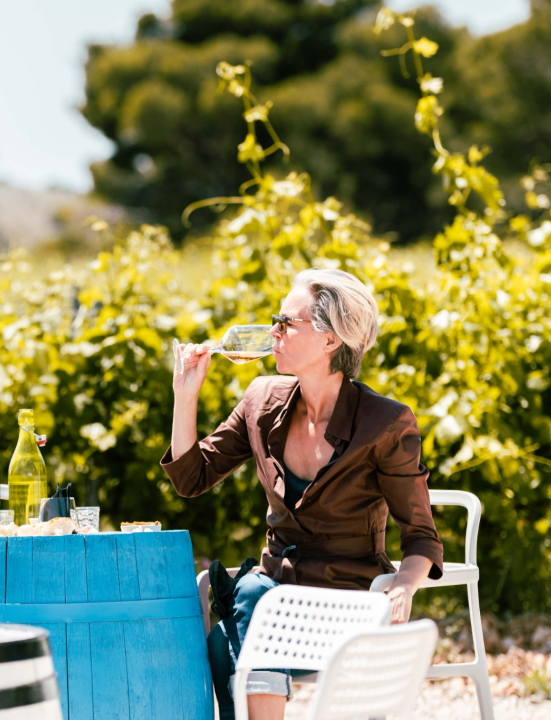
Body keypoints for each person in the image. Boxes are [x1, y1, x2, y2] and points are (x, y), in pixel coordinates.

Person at [164, 269, 443, 720]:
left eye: (286, 323)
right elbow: (191, 478)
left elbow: (422, 536)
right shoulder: (261, 401)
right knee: (235, 622)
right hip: (274, 603)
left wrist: (403, 588)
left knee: (244, 606)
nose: (274, 332)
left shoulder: (385, 423)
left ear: (331, 340)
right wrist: (185, 396)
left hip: (345, 605)